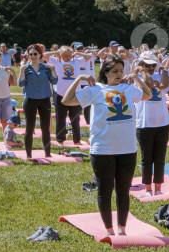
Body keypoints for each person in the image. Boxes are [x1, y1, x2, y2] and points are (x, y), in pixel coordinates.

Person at [63, 55, 152, 237]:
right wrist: (79, 78)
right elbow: (67, 100)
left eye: (121, 71)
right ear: (105, 72)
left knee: (123, 191)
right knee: (105, 191)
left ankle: (122, 229)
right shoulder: (95, 89)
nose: (119, 75)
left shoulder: (128, 88)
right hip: (102, 150)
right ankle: (109, 230)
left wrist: (136, 78)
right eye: (115, 71)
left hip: (127, 149)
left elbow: (148, 95)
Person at [135, 51, 169, 196]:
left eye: (153, 65)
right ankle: (148, 189)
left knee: (160, 157)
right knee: (147, 158)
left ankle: (158, 188)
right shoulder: (137, 78)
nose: (151, 68)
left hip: (162, 122)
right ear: (142, 65)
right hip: (145, 124)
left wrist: (165, 68)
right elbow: (149, 84)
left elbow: (164, 85)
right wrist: (142, 71)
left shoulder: (159, 74)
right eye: (147, 65)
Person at [18, 44, 57, 157]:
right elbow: (21, 84)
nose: (33, 56)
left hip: (45, 100)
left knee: (45, 128)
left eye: (35, 54)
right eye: (30, 54)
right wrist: (21, 71)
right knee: (29, 128)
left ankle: (48, 154)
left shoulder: (46, 68)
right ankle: (29, 155)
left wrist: (53, 69)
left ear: (40, 54)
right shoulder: (26, 68)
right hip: (30, 100)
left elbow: (54, 81)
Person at [45, 46, 85, 145]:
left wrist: (78, 53)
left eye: (69, 55)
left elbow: (89, 57)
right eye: (65, 55)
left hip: (74, 95)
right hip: (60, 94)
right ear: (60, 55)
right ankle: (60, 138)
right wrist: (56, 52)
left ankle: (77, 140)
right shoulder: (56, 61)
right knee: (60, 118)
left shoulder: (76, 62)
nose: (67, 57)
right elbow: (44, 56)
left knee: (75, 118)